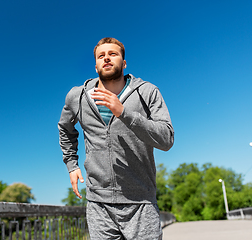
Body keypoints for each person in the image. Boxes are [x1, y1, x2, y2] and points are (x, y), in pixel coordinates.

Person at [58, 37, 174, 240]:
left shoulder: (147, 92)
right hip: (98, 203)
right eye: (101, 56)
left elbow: (166, 139)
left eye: (113, 54)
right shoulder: (77, 96)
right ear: (95, 66)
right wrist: (71, 164)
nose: (107, 59)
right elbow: (65, 129)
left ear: (124, 62)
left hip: (141, 202)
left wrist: (124, 113)